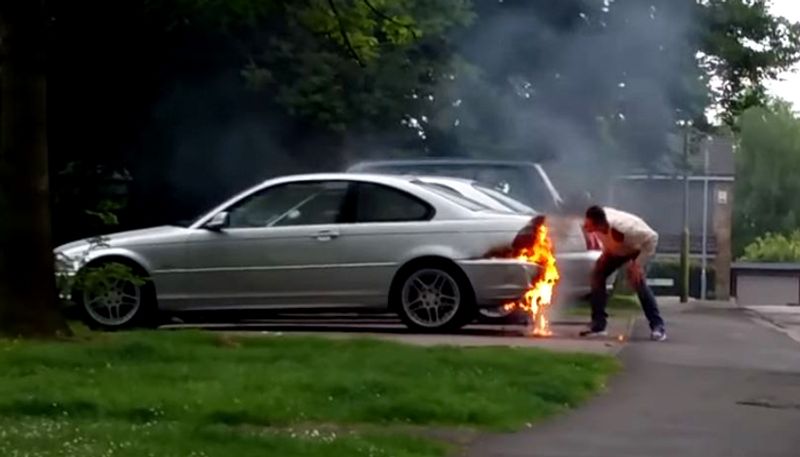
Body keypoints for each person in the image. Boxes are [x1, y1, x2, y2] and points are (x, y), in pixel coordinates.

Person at [581, 205, 667, 341]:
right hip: (614, 251)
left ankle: (658, 326)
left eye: (589, 225)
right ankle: (598, 325)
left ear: (599, 224)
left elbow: (652, 238)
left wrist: (638, 264)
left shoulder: (624, 228)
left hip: (637, 250)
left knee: (637, 282)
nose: (586, 226)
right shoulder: (598, 219)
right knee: (597, 276)